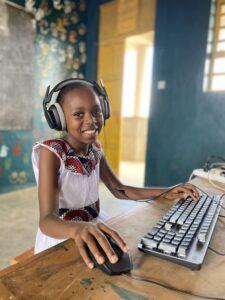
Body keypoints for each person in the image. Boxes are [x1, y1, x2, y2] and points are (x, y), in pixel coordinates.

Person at [32, 78, 200, 270]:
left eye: (96, 111)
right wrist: (77, 228)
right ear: (59, 118)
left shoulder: (94, 148)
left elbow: (119, 190)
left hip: (93, 226)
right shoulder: (50, 152)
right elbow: (47, 220)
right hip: (63, 233)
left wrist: (166, 192)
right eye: (79, 114)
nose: (91, 120)